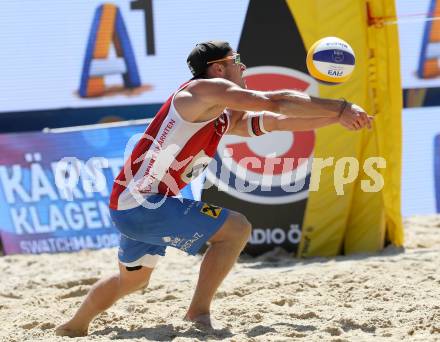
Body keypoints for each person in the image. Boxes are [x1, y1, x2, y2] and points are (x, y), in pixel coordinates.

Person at [56, 41, 372, 336]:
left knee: (133, 282)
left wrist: (335, 118)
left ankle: (74, 326)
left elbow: (275, 121)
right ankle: (198, 313)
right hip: (144, 205)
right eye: (237, 61)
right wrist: (341, 106)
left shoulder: (216, 113)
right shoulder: (205, 90)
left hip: (134, 205)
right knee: (236, 229)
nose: (243, 68)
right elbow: (275, 101)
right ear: (218, 68)